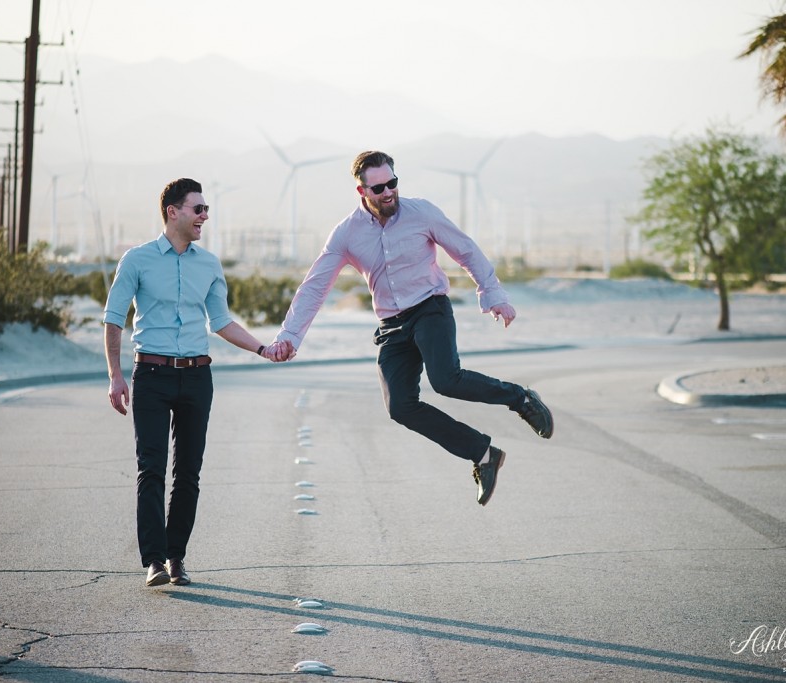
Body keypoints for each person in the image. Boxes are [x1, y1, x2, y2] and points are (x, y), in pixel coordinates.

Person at [267, 151, 553, 507]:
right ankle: (483, 454)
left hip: (430, 308)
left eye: (392, 183)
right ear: (362, 191)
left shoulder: (422, 213)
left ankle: (521, 399)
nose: (388, 192)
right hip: (391, 325)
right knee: (400, 407)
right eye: (378, 188)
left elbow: (465, 250)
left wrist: (492, 293)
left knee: (445, 379)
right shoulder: (346, 234)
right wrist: (289, 337)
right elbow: (315, 286)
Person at [104, 178, 291, 587]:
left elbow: (220, 321)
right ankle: (152, 560)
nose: (205, 215)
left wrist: (262, 349)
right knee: (151, 468)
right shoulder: (136, 260)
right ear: (174, 211)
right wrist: (116, 376)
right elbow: (114, 318)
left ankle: (176, 558)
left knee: (189, 472)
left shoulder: (209, 264)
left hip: (197, 376)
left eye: (206, 209)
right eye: (198, 208)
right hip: (151, 374)